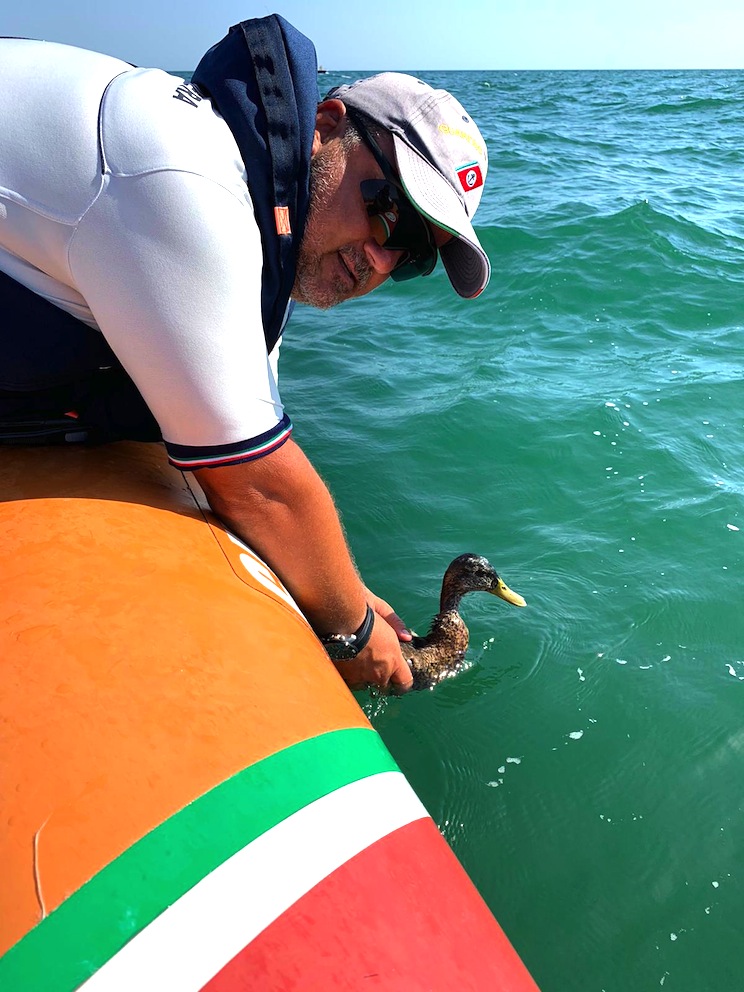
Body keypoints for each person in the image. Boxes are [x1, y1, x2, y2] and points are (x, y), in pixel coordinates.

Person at [0, 15, 491, 693]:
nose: (380, 257)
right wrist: (352, 634)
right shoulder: (184, 173)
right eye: (390, 213)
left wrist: (343, 594)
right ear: (325, 126)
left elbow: (251, 435)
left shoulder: (256, 253)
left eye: (412, 258)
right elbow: (252, 477)